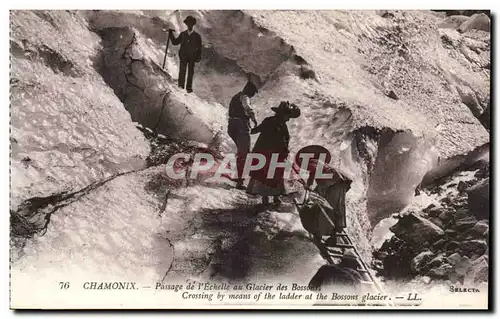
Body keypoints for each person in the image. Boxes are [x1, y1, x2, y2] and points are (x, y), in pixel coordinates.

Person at [295, 145, 353, 246]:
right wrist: (309, 185)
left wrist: (307, 186)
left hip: (334, 184)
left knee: (330, 208)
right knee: (335, 208)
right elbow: (314, 176)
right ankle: (329, 232)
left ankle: (330, 236)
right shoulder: (319, 162)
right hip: (337, 183)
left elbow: (314, 173)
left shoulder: (313, 163)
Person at [246, 101, 301, 206]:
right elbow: (281, 140)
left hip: (270, 154)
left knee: (272, 175)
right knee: (267, 175)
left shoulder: (277, 124)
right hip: (267, 153)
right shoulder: (275, 123)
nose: (289, 119)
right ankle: (268, 198)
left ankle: (273, 198)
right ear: (282, 114)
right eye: (288, 116)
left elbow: (284, 140)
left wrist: (285, 150)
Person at [227, 82, 259, 189]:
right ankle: (240, 181)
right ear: (250, 91)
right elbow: (248, 108)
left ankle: (238, 177)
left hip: (231, 125)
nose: (253, 95)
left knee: (241, 153)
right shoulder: (245, 97)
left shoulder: (236, 96)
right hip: (241, 125)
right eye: (253, 93)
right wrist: (254, 120)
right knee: (243, 154)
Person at [170, 15, 202, 93]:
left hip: (192, 57)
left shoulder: (197, 36)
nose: (189, 25)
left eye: (191, 24)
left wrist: (198, 57)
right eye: (188, 24)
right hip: (183, 56)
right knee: (182, 71)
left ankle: (189, 89)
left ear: (193, 24)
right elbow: (175, 42)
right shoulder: (183, 34)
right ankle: (180, 87)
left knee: (190, 73)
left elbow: (200, 48)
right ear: (186, 24)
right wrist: (171, 34)